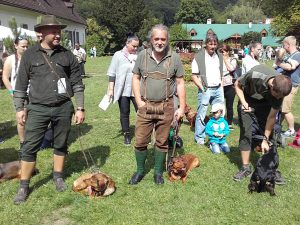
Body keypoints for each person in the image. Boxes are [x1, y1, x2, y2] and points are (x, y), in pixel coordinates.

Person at [12, 15, 85, 204]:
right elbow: (20, 84)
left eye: (58, 31)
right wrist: (20, 108)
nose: (57, 35)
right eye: (53, 31)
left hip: (63, 107)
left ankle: (58, 176)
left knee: (61, 143)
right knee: (29, 147)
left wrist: (80, 107)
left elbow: (77, 83)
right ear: (41, 33)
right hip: (37, 108)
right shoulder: (30, 55)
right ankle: (24, 186)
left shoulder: (67, 54)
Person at [129, 24, 186, 185]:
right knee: (140, 141)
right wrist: (138, 101)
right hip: (145, 106)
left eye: (163, 39)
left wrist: (181, 107)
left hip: (166, 106)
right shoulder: (142, 56)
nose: (160, 42)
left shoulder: (174, 57)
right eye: (156, 38)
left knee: (162, 141)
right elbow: (135, 78)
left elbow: (180, 83)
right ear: (151, 39)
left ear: (167, 40)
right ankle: (140, 171)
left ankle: (158, 173)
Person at [233, 65, 292, 182]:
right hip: (248, 100)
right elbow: (237, 84)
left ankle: (270, 169)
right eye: (277, 96)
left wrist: (265, 139)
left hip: (265, 104)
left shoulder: (280, 91)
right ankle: (245, 168)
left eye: (281, 97)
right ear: (271, 86)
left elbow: (271, 118)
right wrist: (244, 102)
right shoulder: (255, 75)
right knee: (246, 132)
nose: (279, 98)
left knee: (271, 135)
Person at [191, 33, 224, 145]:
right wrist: (202, 88)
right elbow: (194, 75)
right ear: (206, 44)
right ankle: (199, 138)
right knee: (202, 113)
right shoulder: (198, 56)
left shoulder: (219, 55)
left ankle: (217, 136)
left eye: (215, 44)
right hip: (206, 89)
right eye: (211, 44)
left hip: (218, 88)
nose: (213, 46)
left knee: (219, 113)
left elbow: (221, 74)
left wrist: (221, 87)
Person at [107, 34, 139, 145]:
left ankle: (142, 134)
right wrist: (111, 89)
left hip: (136, 90)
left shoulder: (139, 56)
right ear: (127, 43)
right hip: (123, 90)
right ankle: (126, 134)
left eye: (137, 47)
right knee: (124, 113)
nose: (135, 49)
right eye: (133, 46)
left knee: (141, 112)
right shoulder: (118, 55)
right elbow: (112, 73)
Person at [2, 36, 29, 150]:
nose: (26, 48)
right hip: (19, 94)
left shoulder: (30, 58)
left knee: (34, 119)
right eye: (23, 46)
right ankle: (23, 143)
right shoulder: (11, 60)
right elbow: (5, 77)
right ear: (16, 45)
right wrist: (12, 91)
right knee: (22, 119)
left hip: (33, 93)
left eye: (27, 46)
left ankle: (34, 140)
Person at [276, 36, 300, 137]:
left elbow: (290, 67)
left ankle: (291, 130)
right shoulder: (291, 55)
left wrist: (279, 64)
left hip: (292, 85)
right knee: (281, 107)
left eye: (284, 44)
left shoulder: (298, 55)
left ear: (288, 45)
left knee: (286, 109)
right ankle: (277, 126)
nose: (283, 46)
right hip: (286, 84)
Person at [220, 44, 237, 129]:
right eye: (221, 51)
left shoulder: (233, 59)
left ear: (228, 52)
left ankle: (229, 123)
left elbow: (231, 69)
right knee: (220, 104)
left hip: (230, 86)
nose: (222, 53)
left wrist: (225, 60)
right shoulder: (218, 60)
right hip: (220, 85)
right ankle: (221, 121)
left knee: (229, 106)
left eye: (224, 51)